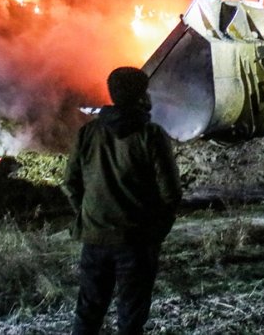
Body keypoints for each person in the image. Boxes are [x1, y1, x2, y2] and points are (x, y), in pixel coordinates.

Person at [63, 67, 182, 335]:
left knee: (88, 312)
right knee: (131, 317)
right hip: (137, 242)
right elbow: (171, 193)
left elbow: (71, 182)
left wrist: (87, 215)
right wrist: (158, 230)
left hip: (95, 239)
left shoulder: (87, 133)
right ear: (142, 95)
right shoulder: (151, 135)